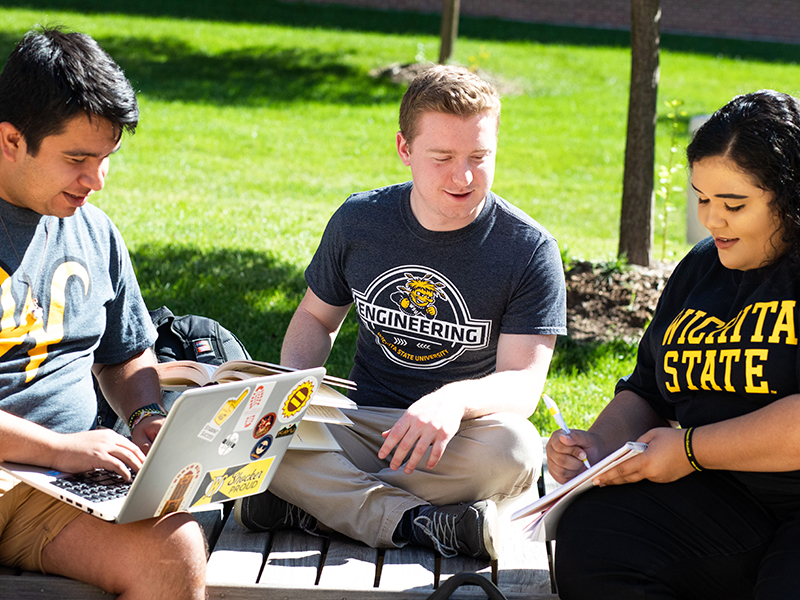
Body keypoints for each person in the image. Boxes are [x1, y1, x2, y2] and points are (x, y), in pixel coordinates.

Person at [235, 65, 567, 560]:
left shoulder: (528, 248)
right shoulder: (360, 220)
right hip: (360, 423)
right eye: (442, 157)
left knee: (517, 450)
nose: (464, 176)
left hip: (458, 441)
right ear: (404, 150)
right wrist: (292, 391)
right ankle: (419, 523)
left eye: (480, 156)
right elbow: (315, 319)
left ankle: (309, 506)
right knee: (251, 428)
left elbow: (522, 384)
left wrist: (452, 401)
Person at [548, 90, 800, 600]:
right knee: (594, 537)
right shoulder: (702, 266)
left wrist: (689, 450)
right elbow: (648, 390)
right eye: (702, 198)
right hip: (726, 496)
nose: (711, 219)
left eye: (734, 204)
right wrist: (597, 446)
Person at [0, 28, 206, 597]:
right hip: (48, 464)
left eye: (106, 159)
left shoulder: (95, 231)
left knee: (174, 547)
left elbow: (125, 352)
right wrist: (63, 448)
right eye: (77, 159)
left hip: (57, 488)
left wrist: (146, 418)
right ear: (12, 140)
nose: (95, 181)